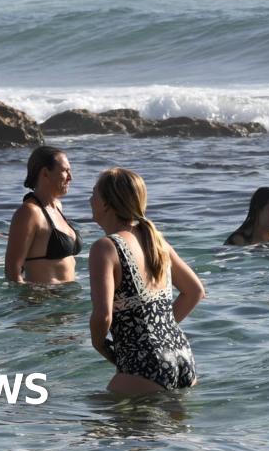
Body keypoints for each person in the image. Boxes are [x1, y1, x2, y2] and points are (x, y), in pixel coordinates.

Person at [87, 168, 204, 396]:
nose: (89, 199)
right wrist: (160, 331)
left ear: (107, 203)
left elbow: (103, 316)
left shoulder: (106, 247)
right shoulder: (157, 242)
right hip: (181, 354)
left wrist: (98, 344)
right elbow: (194, 291)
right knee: (169, 431)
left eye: (94, 193)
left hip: (144, 364)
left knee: (97, 425)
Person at [6, 146, 83, 284]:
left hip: (68, 300)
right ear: (45, 173)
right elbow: (12, 270)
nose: (70, 177)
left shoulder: (58, 206)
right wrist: (29, 301)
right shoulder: (29, 213)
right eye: (65, 171)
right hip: (43, 300)